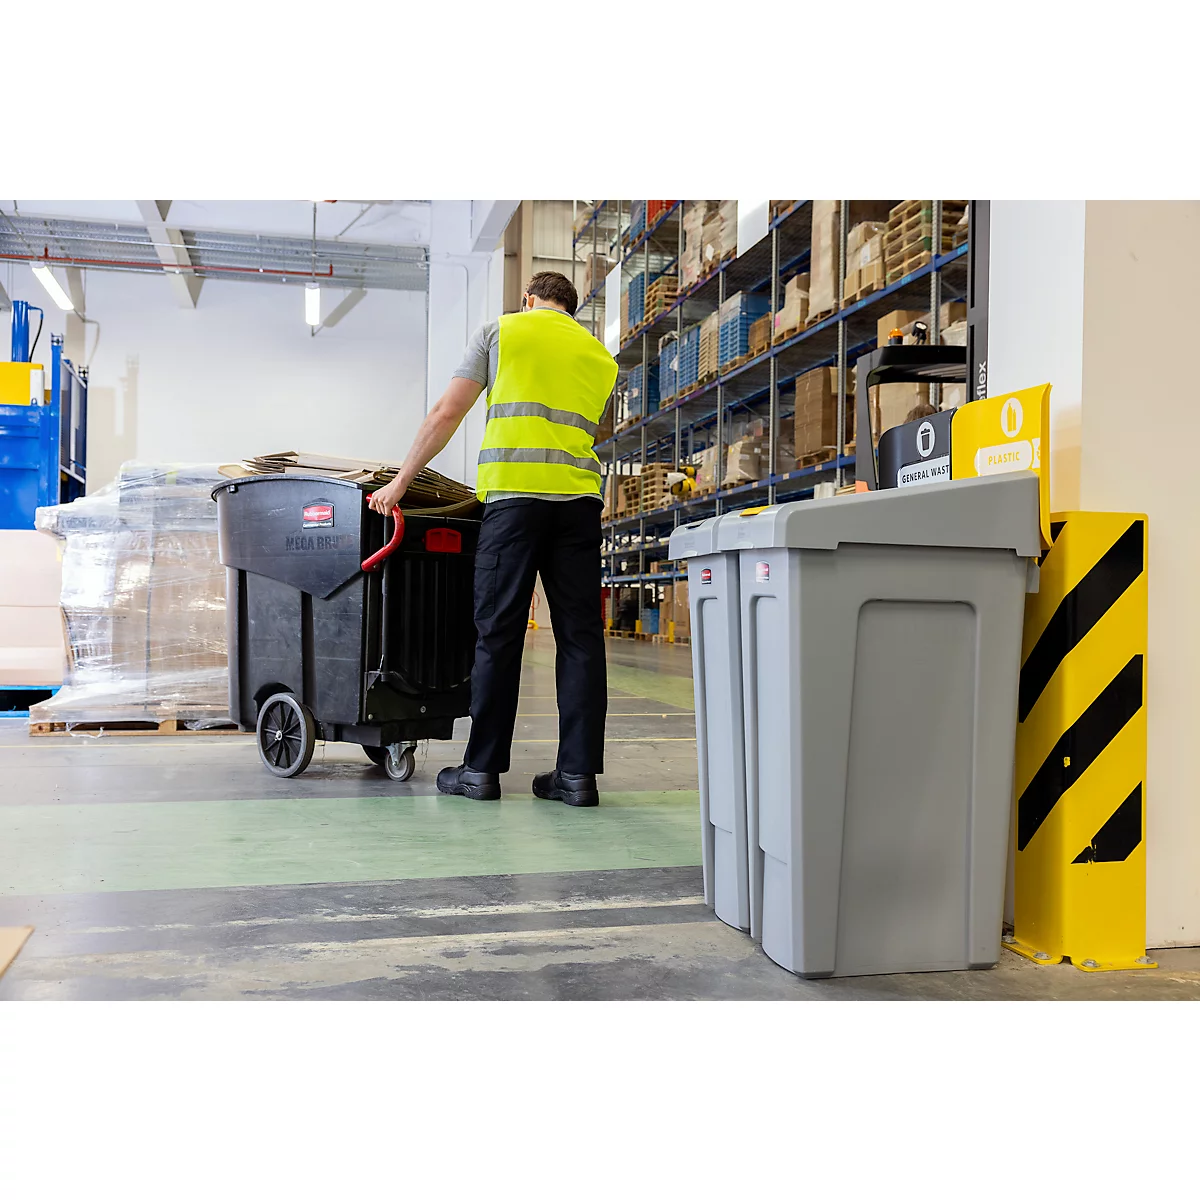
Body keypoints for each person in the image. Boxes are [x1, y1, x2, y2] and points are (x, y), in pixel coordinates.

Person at [368, 271, 618, 807]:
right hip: (578, 504)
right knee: (580, 639)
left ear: (529, 299)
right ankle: (576, 777)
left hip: (513, 501)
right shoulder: (601, 358)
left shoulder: (500, 332)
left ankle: (480, 770)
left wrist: (401, 481)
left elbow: (447, 413)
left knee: (498, 635)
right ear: (570, 311)